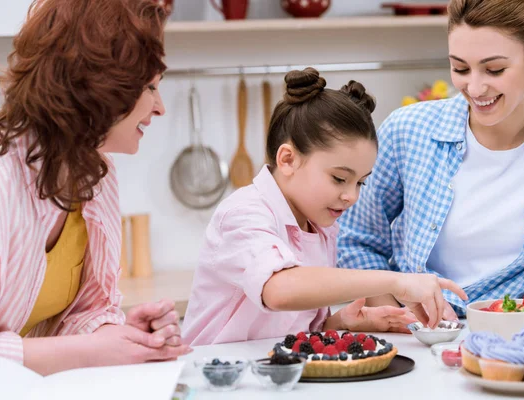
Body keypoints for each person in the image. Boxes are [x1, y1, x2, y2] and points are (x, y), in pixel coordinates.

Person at [337, 0, 524, 334]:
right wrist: (401, 313)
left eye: (495, 70)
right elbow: (358, 241)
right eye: (461, 69)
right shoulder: (408, 130)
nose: (475, 88)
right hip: (419, 336)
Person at [181, 67, 467, 346]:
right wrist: (396, 282)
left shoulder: (320, 227)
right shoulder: (242, 215)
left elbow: (293, 330)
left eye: (360, 183)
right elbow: (280, 290)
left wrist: (339, 323)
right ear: (288, 160)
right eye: (339, 178)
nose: (351, 196)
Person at [0, 0, 191, 375]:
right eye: (149, 86)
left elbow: (83, 314)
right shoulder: (4, 176)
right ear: (100, 82)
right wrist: (89, 350)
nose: (159, 107)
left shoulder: (95, 172)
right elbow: (74, 350)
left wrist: (119, 335)